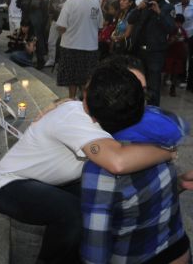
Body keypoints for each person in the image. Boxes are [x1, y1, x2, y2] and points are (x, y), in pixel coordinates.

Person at [0, 65, 177, 263]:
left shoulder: (108, 112)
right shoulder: (76, 117)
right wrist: (168, 152)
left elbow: (166, 125)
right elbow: (118, 162)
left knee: (106, 202)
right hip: (11, 185)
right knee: (72, 214)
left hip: (54, 183)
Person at [81, 64, 191, 264]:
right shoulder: (160, 136)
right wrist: (180, 181)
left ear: (89, 110)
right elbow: (147, 203)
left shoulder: (100, 170)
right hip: (178, 251)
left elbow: (95, 251)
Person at [127, 0, 176, 106]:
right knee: (137, 83)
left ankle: (153, 112)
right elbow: (130, 19)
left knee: (153, 86)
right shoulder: (144, 3)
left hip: (155, 52)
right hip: (138, 50)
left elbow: (171, 28)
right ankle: (137, 110)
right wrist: (138, 8)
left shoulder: (168, 7)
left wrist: (159, 12)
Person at [56, 0, 103, 99]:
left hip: (70, 45)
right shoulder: (95, 3)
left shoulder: (70, 2)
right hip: (90, 47)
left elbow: (61, 26)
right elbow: (100, 26)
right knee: (86, 79)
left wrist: (62, 34)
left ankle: (71, 99)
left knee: (71, 79)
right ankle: (86, 103)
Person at [164, 14, 188, 96]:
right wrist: (174, 39)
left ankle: (172, 88)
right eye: (177, 23)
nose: (178, 25)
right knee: (166, 70)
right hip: (169, 54)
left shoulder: (183, 31)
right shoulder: (170, 30)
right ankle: (164, 81)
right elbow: (167, 43)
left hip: (179, 55)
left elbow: (185, 43)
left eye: (180, 23)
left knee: (175, 72)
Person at [176, 0, 193, 91]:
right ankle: (177, 77)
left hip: (190, 35)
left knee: (188, 57)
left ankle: (185, 79)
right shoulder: (176, 6)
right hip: (177, 34)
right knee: (178, 56)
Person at [44, 0, 67, 67]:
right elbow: (50, 9)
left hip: (66, 24)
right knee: (51, 41)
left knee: (65, 43)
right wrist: (51, 21)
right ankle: (51, 60)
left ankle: (63, 62)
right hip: (55, 21)